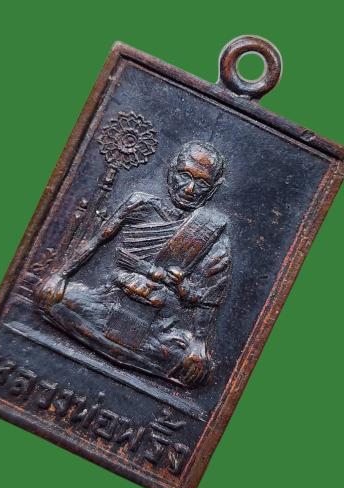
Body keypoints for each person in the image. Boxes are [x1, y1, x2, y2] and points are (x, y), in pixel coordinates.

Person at [35, 141, 231, 388]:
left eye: (201, 183)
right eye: (184, 176)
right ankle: (120, 356)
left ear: (213, 190)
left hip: (158, 328)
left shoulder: (213, 233)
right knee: (53, 298)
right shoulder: (140, 204)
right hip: (106, 303)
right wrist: (60, 275)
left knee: (194, 370)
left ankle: (106, 350)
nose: (189, 189)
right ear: (171, 170)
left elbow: (208, 299)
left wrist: (199, 343)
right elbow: (96, 241)